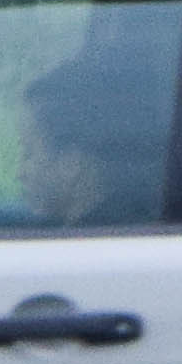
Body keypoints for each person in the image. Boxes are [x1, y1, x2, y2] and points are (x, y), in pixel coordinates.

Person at [16, 45, 169, 228]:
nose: (20, 174)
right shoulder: (126, 228)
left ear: (72, 163)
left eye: (29, 153)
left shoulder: (89, 248)